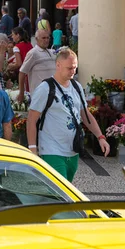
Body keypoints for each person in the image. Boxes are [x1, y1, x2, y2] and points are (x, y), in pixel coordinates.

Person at [26, 47, 109, 182]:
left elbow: (85, 115)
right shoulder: (45, 88)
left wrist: (100, 137)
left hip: (73, 150)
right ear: (58, 66)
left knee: (65, 193)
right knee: (61, 192)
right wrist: (32, 149)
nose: (73, 71)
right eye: (69, 68)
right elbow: (31, 120)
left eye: (75, 68)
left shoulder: (76, 87)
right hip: (51, 150)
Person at [18, 29, 56, 103]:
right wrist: (21, 93)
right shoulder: (33, 53)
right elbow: (22, 72)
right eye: (43, 38)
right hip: (39, 95)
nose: (46, 40)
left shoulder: (52, 52)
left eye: (48, 38)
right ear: (36, 39)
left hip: (53, 94)